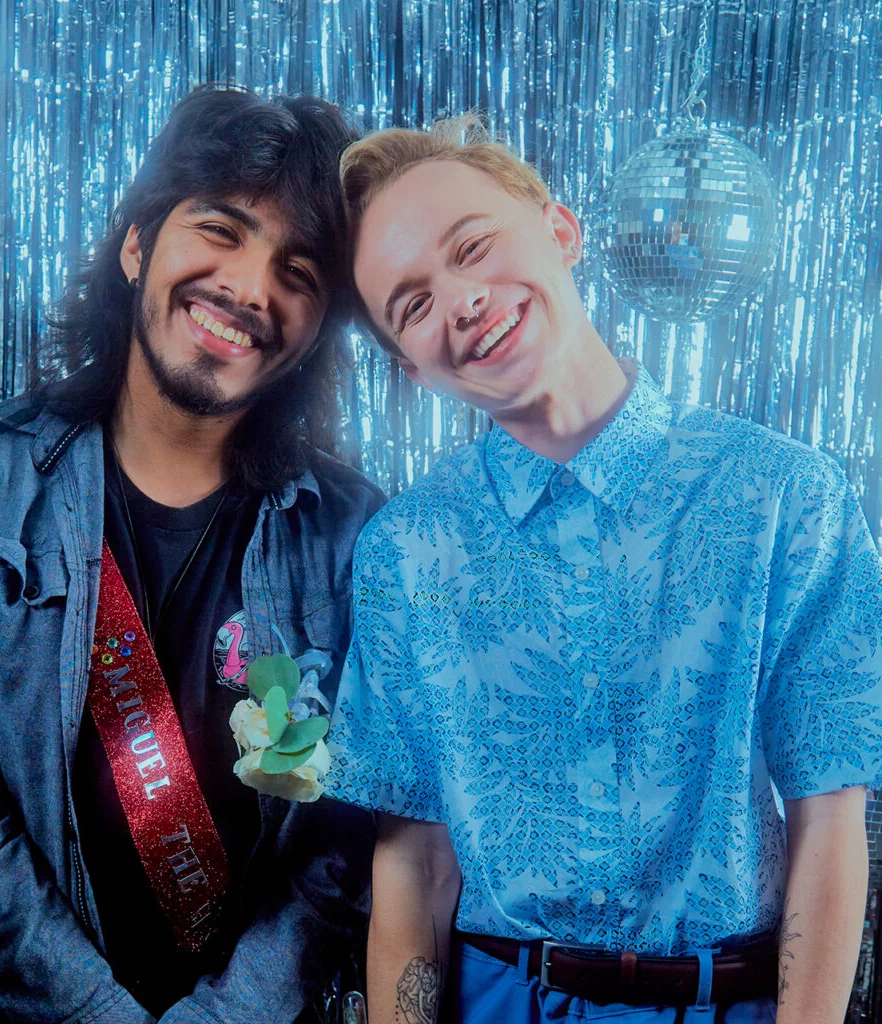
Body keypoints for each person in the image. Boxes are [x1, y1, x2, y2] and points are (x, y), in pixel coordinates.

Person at [325, 116, 882, 1024]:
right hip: (499, 998)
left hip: (733, 1000)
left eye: (474, 246)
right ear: (408, 365)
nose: (462, 302)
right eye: (412, 304)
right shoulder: (405, 551)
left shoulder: (785, 496)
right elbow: (415, 862)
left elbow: (830, 817)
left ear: (561, 228)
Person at [0, 86, 384, 1023]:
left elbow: (344, 844)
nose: (249, 288)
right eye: (220, 230)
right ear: (137, 244)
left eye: (298, 273)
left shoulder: (353, 534)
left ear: (314, 335)